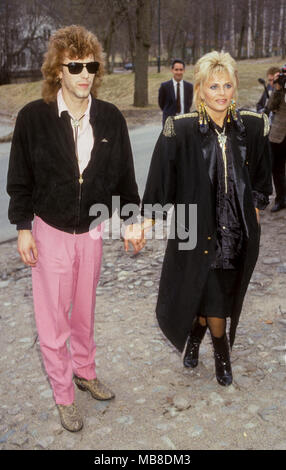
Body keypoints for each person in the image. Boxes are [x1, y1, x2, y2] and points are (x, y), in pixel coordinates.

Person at [6, 25, 143, 432]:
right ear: (58, 71)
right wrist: (23, 226)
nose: (85, 73)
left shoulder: (111, 119)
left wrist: (132, 222)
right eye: (75, 66)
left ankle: (84, 372)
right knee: (52, 321)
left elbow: (125, 180)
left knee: (83, 314)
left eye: (91, 65)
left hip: (92, 233)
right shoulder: (33, 118)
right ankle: (64, 394)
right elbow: (19, 179)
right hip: (49, 233)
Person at [141, 51, 272, 387]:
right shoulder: (180, 131)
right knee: (213, 299)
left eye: (227, 85)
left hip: (236, 232)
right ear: (199, 89)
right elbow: (160, 181)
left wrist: (255, 202)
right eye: (213, 86)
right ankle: (222, 355)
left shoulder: (250, 126)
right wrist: (145, 221)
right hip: (196, 228)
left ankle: (195, 339)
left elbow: (261, 174)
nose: (221, 93)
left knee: (215, 298)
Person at [266, 67, 286, 212]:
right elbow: (270, 107)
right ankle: (281, 199)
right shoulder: (279, 90)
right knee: (277, 169)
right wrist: (278, 89)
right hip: (278, 135)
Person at [158, 59, 193, 126]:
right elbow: (161, 104)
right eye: (176, 70)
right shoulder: (165, 86)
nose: (178, 72)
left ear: (184, 70)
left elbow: (189, 103)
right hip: (169, 122)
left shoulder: (189, 87)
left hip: (185, 121)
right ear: (172, 70)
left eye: (181, 70)